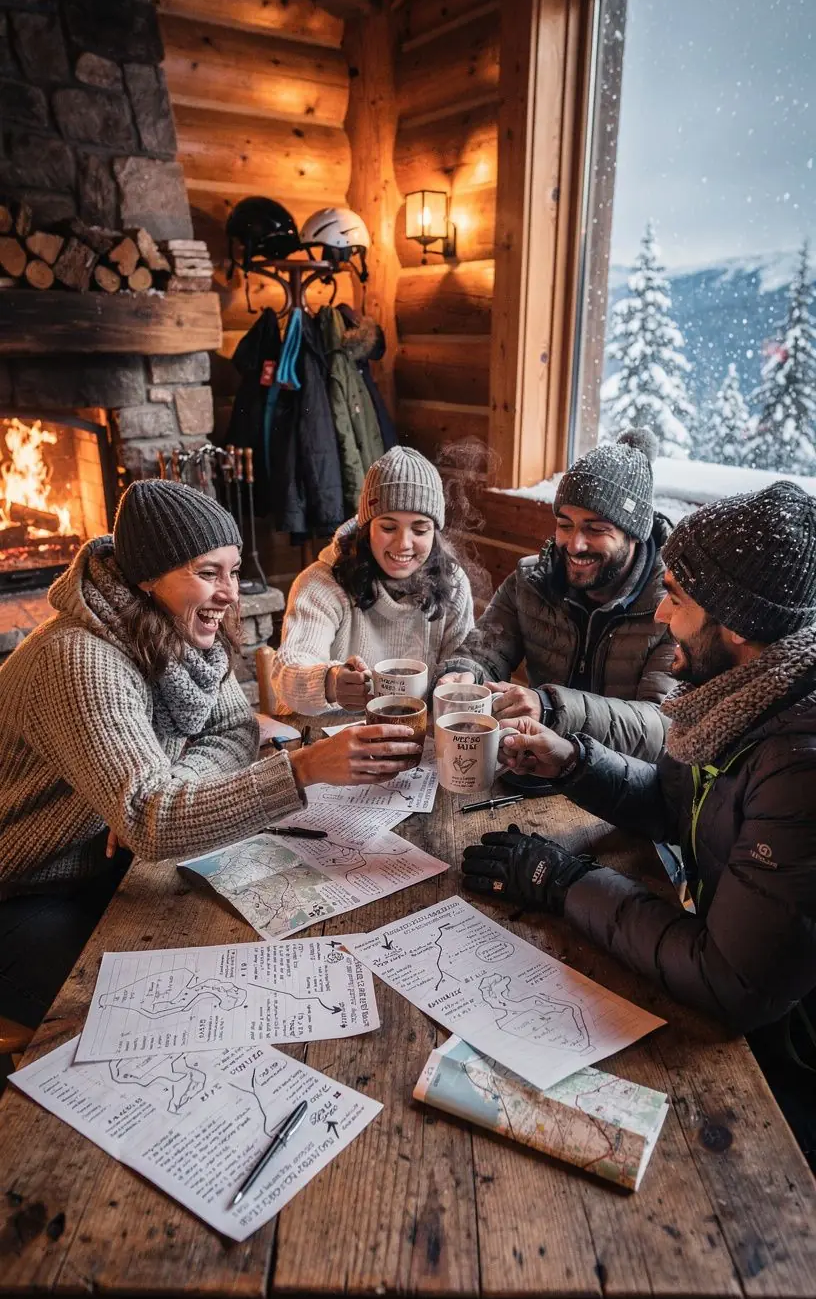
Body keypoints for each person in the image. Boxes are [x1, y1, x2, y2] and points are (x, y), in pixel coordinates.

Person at [461, 480, 816, 1299]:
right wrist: (577, 764)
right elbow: (690, 811)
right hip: (754, 976)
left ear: (736, 624)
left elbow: (733, 980)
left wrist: (566, 880)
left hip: (797, 1056)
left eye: (679, 598)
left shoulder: (802, 752)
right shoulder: (751, 694)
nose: (662, 611)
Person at [0, 480, 421, 1030]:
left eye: (233, 569)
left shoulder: (175, 626)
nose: (230, 594)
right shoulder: (79, 659)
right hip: (27, 891)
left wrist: (171, 782)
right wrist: (304, 768)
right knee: (160, 1015)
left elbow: (232, 730)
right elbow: (153, 819)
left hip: (112, 867)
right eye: (206, 573)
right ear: (146, 577)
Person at [437, 427, 675, 759]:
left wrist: (551, 708)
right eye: (565, 525)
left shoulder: (673, 604)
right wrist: (461, 674)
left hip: (628, 792)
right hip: (537, 767)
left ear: (634, 534)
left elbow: (661, 727)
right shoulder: (532, 580)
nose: (575, 544)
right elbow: (485, 651)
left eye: (596, 529)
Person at [270, 445, 474, 714]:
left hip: (416, 735)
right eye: (388, 527)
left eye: (420, 529)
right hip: (332, 733)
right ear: (366, 529)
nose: (403, 544)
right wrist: (329, 682)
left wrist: (461, 675)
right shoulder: (322, 582)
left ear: (434, 533)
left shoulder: (453, 583)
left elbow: (463, 657)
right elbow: (290, 665)